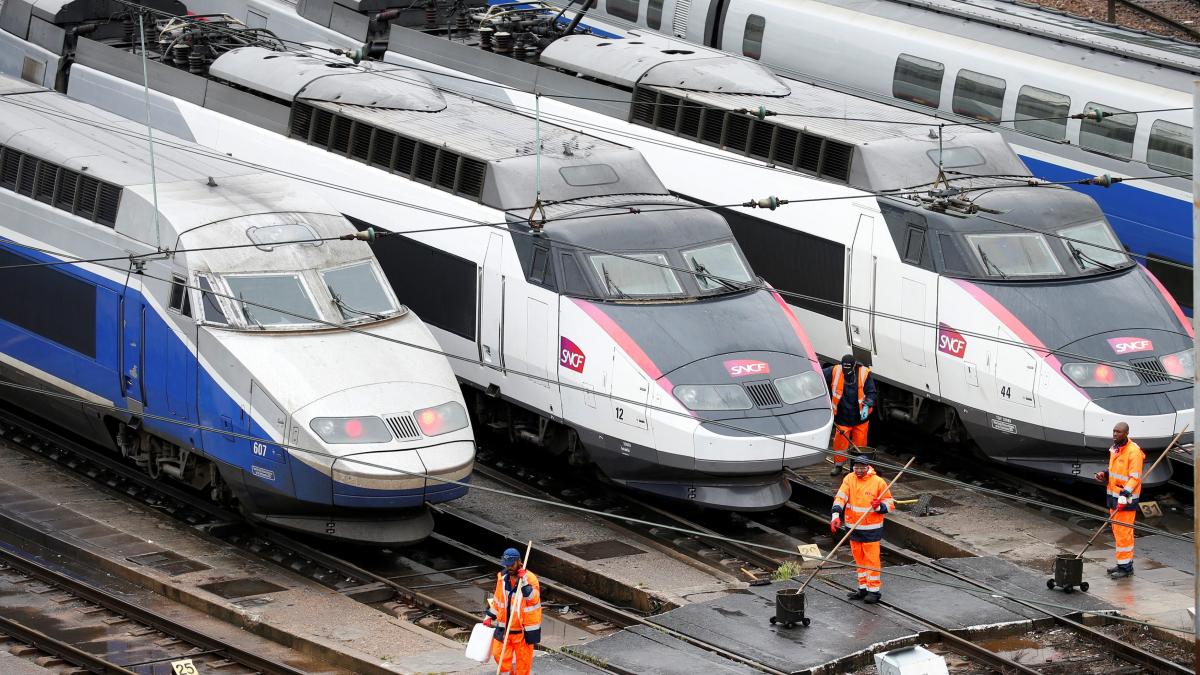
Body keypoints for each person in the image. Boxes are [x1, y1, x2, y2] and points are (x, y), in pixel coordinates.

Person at [830, 451, 895, 603]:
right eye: (856, 468)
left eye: (862, 468)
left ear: (868, 467)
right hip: (853, 528)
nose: (859, 471)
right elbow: (841, 497)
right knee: (859, 561)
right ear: (853, 468)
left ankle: (874, 592)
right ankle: (863, 588)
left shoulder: (878, 482)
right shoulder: (849, 479)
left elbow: (890, 504)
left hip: (871, 529)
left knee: (871, 561)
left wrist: (879, 507)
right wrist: (835, 515)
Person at [1093, 422, 1145, 578]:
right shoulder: (1115, 449)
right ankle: (1122, 564)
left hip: (1125, 500)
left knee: (1124, 533)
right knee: (1117, 532)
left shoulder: (1133, 452)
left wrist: (1125, 493)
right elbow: (1115, 470)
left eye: (1119, 432)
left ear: (1126, 433)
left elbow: (1134, 478)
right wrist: (1104, 473)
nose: (1115, 434)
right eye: (1114, 431)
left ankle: (1126, 568)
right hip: (1113, 497)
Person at [482, 547, 542, 674]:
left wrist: (524, 582)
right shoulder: (502, 578)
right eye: (506, 565)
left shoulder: (530, 578)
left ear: (519, 562)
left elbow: (533, 599)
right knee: (499, 655)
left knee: (523, 665)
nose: (508, 567)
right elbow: (498, 601)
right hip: (505, 629)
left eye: (511, 565)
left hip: (522, 632)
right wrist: (489, 616)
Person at [823, 354, 878, 475]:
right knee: (840, 444)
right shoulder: (835, 370)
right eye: (844, 369)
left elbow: (872, 393)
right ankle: (838, 465)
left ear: (854, 366)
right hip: (842, 417)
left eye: (848, 369)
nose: (846, 372)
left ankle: (857, 467)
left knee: (860, 445)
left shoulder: (864, 373)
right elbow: (818, 375)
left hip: (860, 418)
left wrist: (867, 405)